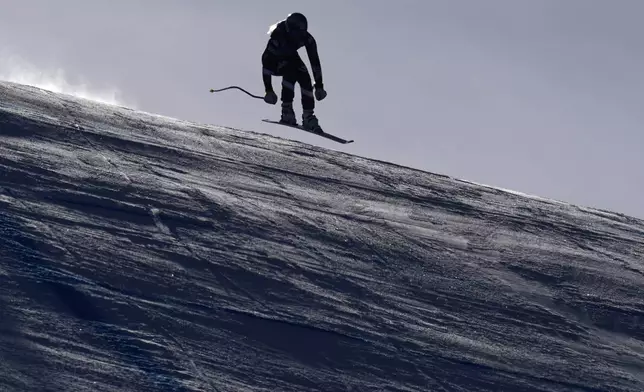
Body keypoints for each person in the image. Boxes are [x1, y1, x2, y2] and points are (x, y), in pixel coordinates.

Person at [261, 12, 327, 133]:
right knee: (290, 71)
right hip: (275, 63)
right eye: (297, 34)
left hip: (290, 57)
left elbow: (315, 62)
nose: (299, 38)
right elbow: (266, 64)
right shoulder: (278, 36)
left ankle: (308, 115)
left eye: (302, 34)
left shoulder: (307, 38)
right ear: (289, 30)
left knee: (303, 75)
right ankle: (287, 109)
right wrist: (268, 90)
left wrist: (319, 86)